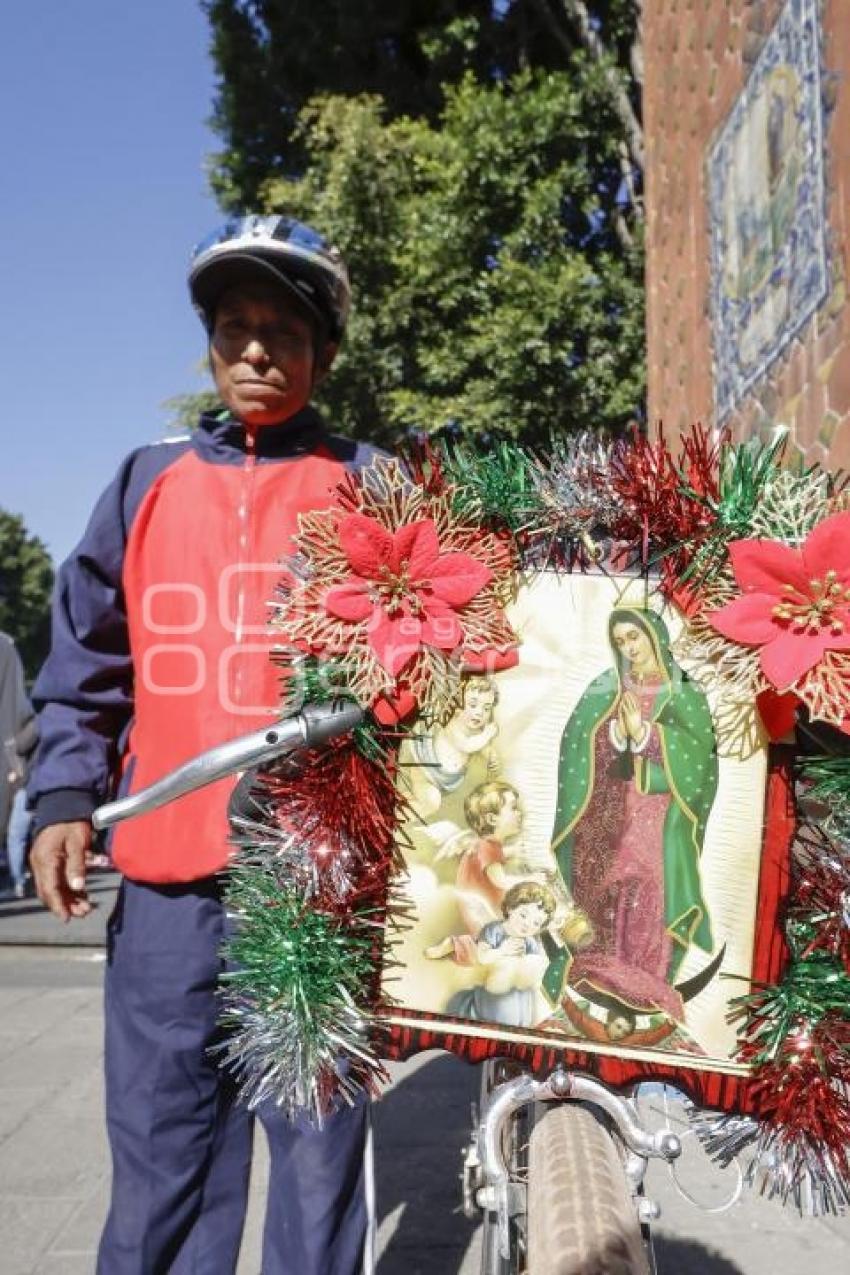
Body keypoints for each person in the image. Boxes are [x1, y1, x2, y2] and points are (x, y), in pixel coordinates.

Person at [27, 215, 381, 1275]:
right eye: (235, 328)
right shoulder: (145, 481)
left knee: (319, 1162)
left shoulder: (378, 488)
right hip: (168, 892)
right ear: (210, 345)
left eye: (283, 329)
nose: (258, 351)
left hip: (313, 890)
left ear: (323, 347)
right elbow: (85, 667)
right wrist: (59, 802)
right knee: (161, 1152)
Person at [543, 606, 719, 1024]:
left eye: (634, 637)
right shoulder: (606, 687)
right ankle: (603, 967)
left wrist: (645, 735)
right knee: (606, 878)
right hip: (610, 805)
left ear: (654, 636)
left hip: (658, 812)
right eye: (620, 641)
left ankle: (645, 978)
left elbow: (698, 763)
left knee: (648, 883)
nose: (629, 648)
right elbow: (578, 744)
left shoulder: (684, 693)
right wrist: (611, 734)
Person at [441, 881, 557, 1027]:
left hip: (517, 993)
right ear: (510, 908)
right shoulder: (494, 930)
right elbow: (482, 958)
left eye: (536, 923)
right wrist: (502, 951)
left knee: (520, 1011)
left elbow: (533, 971)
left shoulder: (530, 942)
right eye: (523, 915)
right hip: (492, 987)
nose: (527, 924)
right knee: (499, 1010)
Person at [0, 632, 36, 897]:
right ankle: (18, 880)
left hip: (19, 777)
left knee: (16, 835)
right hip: (20, 777)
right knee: (17, 835)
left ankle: (18, 880)